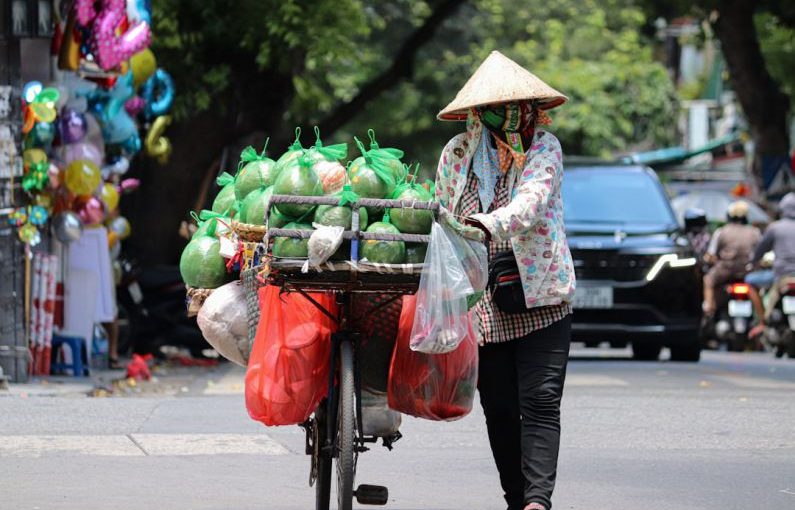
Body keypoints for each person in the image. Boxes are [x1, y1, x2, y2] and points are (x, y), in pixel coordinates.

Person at [434, 51, 575, 510]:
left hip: (543, 294)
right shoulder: (457, 153)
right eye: (501, 106)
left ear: (534, 107)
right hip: (484, 304)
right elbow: (441, 210)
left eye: (521, 105)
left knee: (541, 400)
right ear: (477, 113)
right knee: (499, 409)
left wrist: (483, 224)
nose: (513, 115)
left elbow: (530, 204)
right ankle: (517, 499)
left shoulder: (544, 148)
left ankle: (537, 502)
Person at [748, 192, 795, 338]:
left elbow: (760, 250)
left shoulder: (775, 228)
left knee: (750, 281)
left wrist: (753, 262)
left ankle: (762, 321)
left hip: (780, 275)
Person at [702, 201, 761, 316]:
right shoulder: (755, 232)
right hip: (747, 271)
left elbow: (711, 254)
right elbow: (760, 252)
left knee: (707, 280)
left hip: (725, 270)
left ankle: (709, 309)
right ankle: (761, 315)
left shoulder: (722, 232)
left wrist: (710, 259)